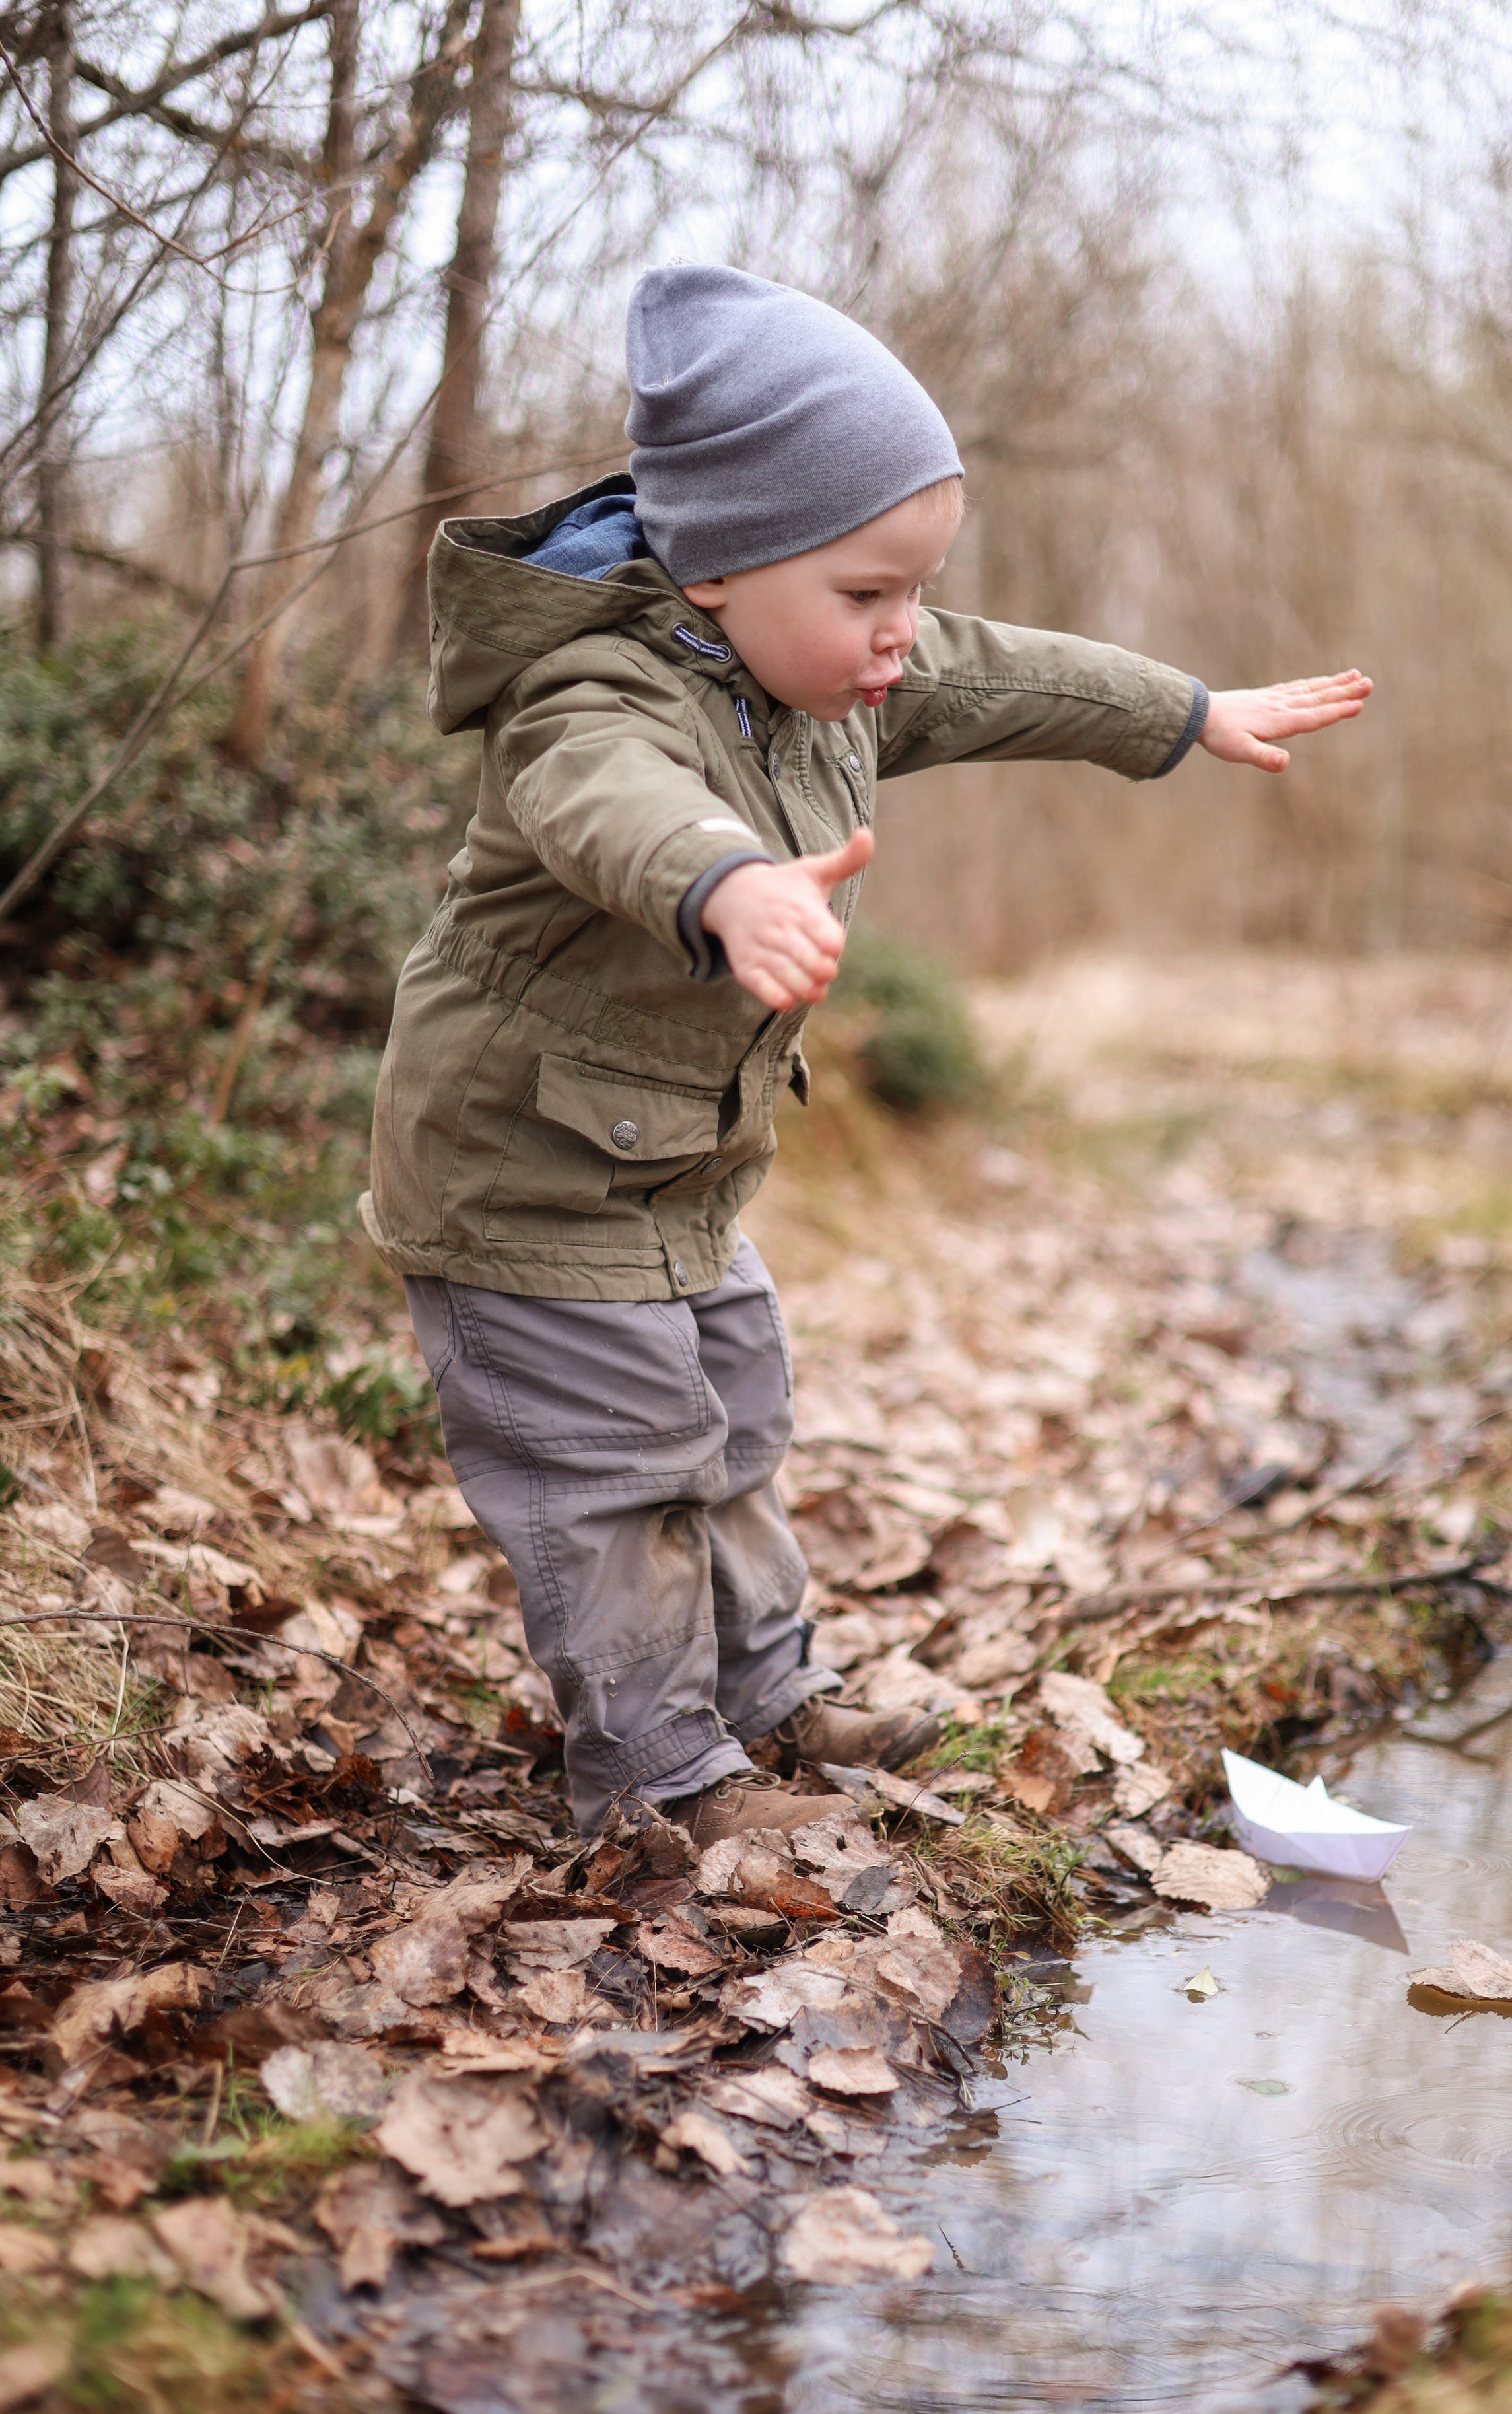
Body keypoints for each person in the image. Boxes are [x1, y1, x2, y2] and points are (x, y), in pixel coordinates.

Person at [359, 264, 1371, 1845]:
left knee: (737, 1423)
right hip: (520, 1182)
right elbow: (600, 798)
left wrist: (1176, 711)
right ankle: (657, 1782)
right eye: (863, 594)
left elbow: (991, 668)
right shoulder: (588, 687)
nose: (900, 633)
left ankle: (765, 1701)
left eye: (911, 586)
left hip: (670, 1183)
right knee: (619, 1468)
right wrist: (728, 881)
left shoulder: (822, 681)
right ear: (713, 568)